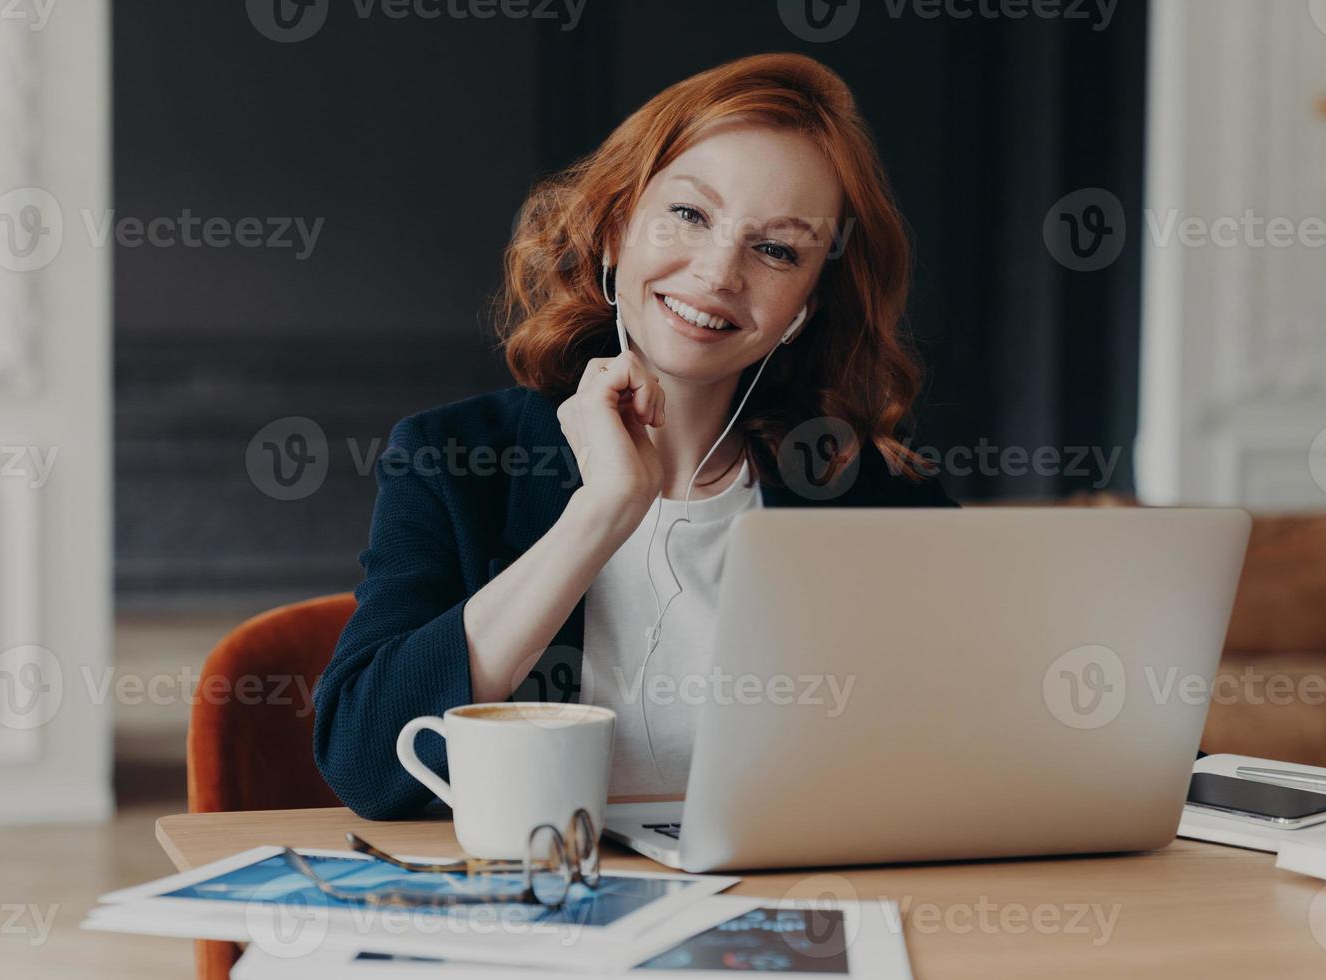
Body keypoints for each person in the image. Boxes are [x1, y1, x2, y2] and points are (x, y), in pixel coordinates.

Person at [313, 52, 956, 820]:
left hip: (784, 908)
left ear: (805, 310)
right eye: (689, 214)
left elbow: (967, 754)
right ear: (616, 233)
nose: (719, 272)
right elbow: (364, 763)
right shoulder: (455, 460)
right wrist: (600, 514)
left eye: (777, 249)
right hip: (541, 903)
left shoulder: (878, 499)